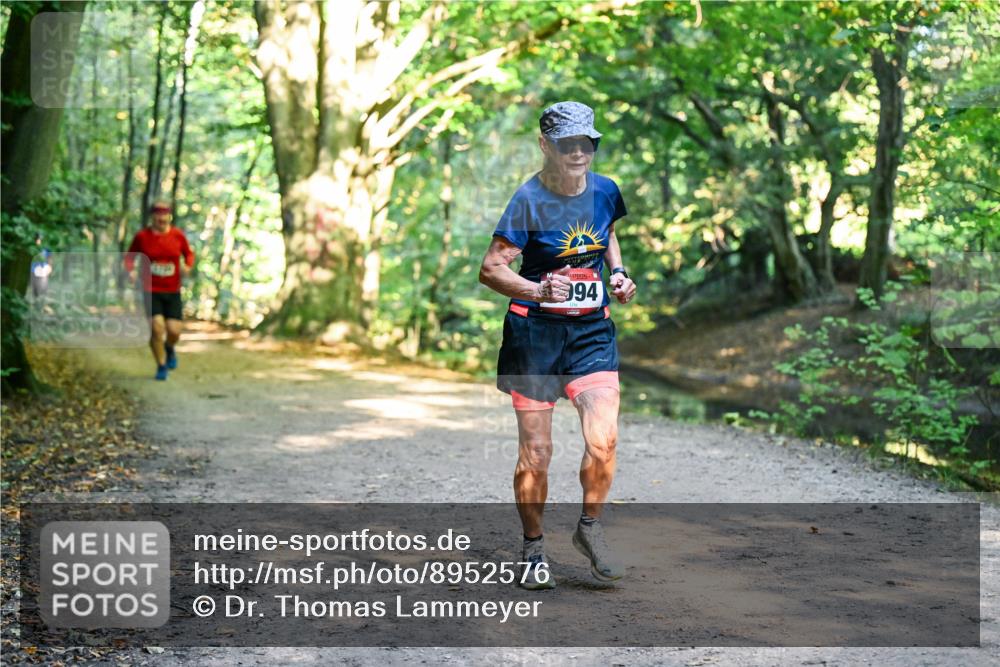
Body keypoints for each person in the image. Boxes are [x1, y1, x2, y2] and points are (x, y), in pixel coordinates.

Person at [478, 101, 637, 590]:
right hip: (535, 337)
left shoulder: (606, 190)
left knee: (604, 438)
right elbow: (491, 269)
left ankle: (590, 528)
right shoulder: (528, 200)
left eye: (586, 143)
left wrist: (618, 273)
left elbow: (608, 234)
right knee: (537, 452)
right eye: (567, 144)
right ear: (546, 146)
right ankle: (533, 549)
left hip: (591, 332)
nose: (578, 153)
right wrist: (538, 289)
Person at [124, 202, 195, 380]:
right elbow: (130, 257)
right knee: (157, 328)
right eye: (158, 214)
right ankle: (161, 365)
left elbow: (188, 254)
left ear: (169, 216)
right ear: (152, 217)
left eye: (165, 214)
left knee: (174, 331)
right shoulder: (142, 237)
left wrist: (187, 266)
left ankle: (169, 348)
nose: (161, 218)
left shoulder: (177, 235)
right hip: (150, 289)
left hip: (172, 290)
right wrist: (130, 271)